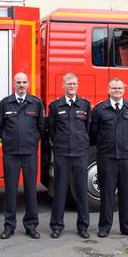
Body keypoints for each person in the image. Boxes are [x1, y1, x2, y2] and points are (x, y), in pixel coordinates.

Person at [90, 78, 128, 238]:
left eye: (119, 88)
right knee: (106, 193)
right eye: (114, 88)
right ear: (108, 89)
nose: (117, 90)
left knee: (127, 193)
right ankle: (104, 227)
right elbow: (94, 132)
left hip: (127, 157)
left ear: (124, 89)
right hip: (107, 157)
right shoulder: (100, 109)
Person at [0, 72, 45, 239]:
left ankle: (31, 226)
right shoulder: (5, 103)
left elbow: (41, 128)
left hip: (30, 153)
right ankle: (9, 226)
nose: (21, 85)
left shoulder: (36, 103)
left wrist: (31, 141)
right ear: (13, 84)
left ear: (28, 84)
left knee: (31, 190)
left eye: (24, 82)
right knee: (10, 191)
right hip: (11, 153)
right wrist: (9, 140)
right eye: (18, 82)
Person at [48, 72, 91, 239]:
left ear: (77, 85)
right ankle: (57, 226)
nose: (72, 86)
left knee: (81, 191)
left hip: (80, 154)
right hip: (62, 154)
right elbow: (51, 129)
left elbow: (89, 128)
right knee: (59, 191)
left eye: (74, 84)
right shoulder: (55, 106)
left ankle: (83, 226)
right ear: (63, 86)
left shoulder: (85, 105)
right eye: (69, 84)